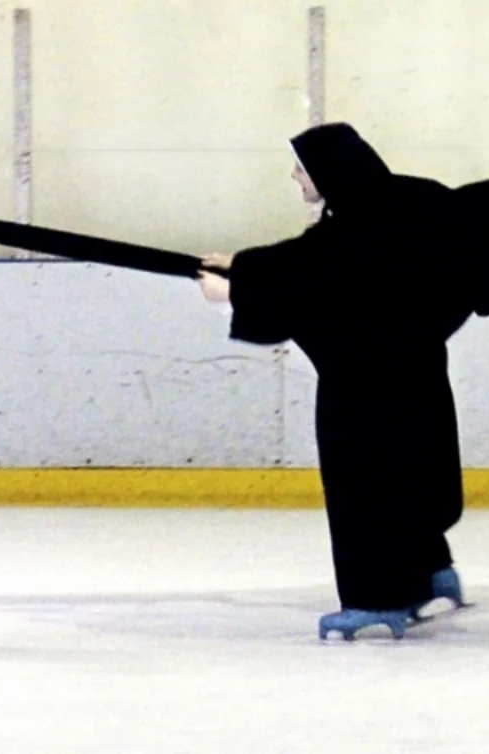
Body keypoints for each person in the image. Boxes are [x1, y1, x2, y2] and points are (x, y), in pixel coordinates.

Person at [198, 124, 474, 640]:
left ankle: (381, 598)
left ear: (329, 172)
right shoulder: (404, 206)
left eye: (302, 167)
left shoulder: (350, 235)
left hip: (362, 389)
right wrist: (243, 266)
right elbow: (313, 258)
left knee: (366, 488)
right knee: (412, 477)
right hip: (418, 374)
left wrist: (234, 294)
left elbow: (317, 279)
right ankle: (434, 573)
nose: (295, 176)